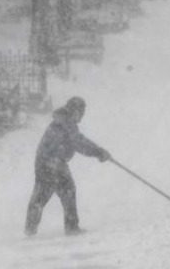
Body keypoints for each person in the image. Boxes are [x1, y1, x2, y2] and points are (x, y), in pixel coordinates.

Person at [24, 96, 110, 236]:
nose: (82, 115)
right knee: (67, 190)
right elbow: (79, 143)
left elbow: (78, 140)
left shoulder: (61, 121)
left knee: (42, 195)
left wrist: (98, 152)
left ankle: (30, 228)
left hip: (44, 162)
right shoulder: (66, 123)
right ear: (74, 110)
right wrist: (98, 152)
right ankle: (71, 227)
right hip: (54, 162)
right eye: (81, 112)